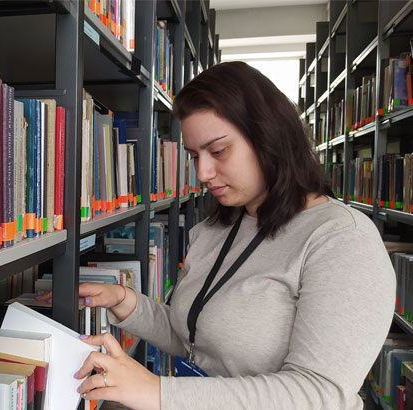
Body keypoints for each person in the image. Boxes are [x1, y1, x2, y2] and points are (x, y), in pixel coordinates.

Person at [40, 61, 395, 409]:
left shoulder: (341, 239)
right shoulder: (213, 229)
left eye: (219, 151)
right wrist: (125, 301)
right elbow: (196, 339)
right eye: (195, 155)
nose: (203, 173)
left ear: (269, 137)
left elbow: (321, 394)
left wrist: (158, 392)